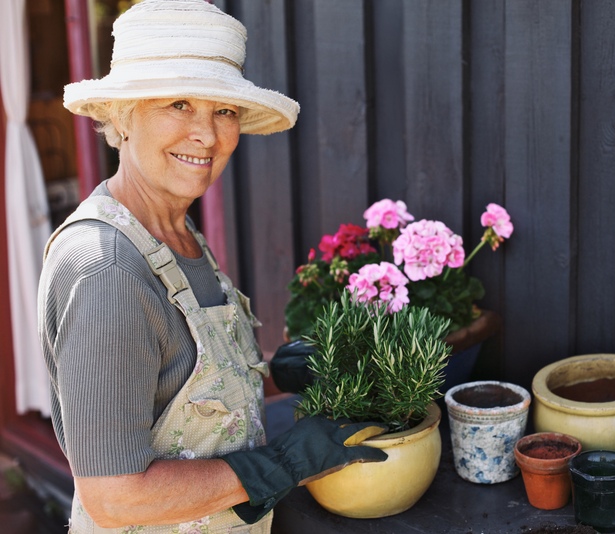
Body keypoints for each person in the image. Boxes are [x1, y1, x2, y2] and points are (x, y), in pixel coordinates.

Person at [37, 1, 387, 532]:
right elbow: (116, 498)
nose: (207, 135)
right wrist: (287, 463)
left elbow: (180, 388)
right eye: (178, 104)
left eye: (223, 109)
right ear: (122, 116)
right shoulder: (105, 269)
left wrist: (276, 372)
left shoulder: (175, 232)